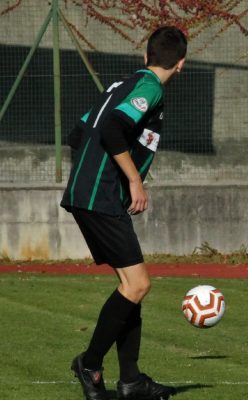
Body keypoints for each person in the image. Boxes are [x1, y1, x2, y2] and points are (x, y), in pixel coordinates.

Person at [60, 26, 187, 400]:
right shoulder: (149, 88)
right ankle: (90, 363)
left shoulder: (120, 86)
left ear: (145, 55)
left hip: (89, 194)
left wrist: (93, 172)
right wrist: (133, 180)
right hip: (100, 197)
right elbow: (115, 129)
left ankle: (131, 381)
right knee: (138, 285)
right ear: (181, 64)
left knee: (131, 289)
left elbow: (77, 133)